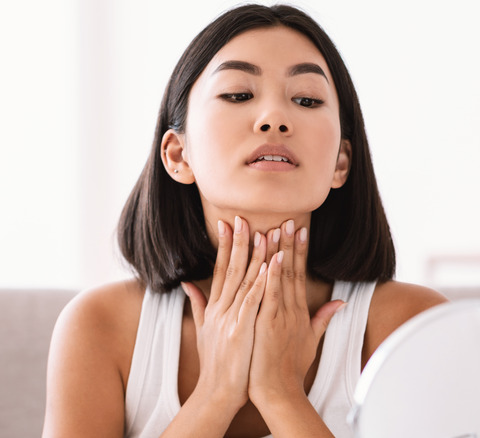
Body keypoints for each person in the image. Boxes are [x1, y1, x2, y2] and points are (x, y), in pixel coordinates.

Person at [42, 4, 447, 438]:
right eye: (238, 95)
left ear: (341, 163)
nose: (274, 118)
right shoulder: (100, 326)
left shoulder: (414, 327)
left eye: (306, 99)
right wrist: (216, 392)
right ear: (178, 155)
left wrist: (281, 393)